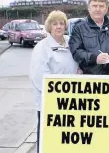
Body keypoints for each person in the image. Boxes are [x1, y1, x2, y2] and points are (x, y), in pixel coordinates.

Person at [68, 0, 109, 153]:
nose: (98, 9)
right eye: (94, 5)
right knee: (92, 125)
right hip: (90, 85)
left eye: (101, 6)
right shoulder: (79, 27)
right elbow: (75, 51)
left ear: (106, 8)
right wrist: (95, 58)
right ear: (88, 8)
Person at [29, 10, 81, 153]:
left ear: (65, 26)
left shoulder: (72, 42)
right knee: (48, 140)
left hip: (71, 102)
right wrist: (58, 92)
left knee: (66, 139)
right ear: (49, 27)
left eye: (61, 23)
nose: (58, 26)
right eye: (55, 24)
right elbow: (38, 76)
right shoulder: (42, 47)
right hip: (50, 102)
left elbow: (78, 63)